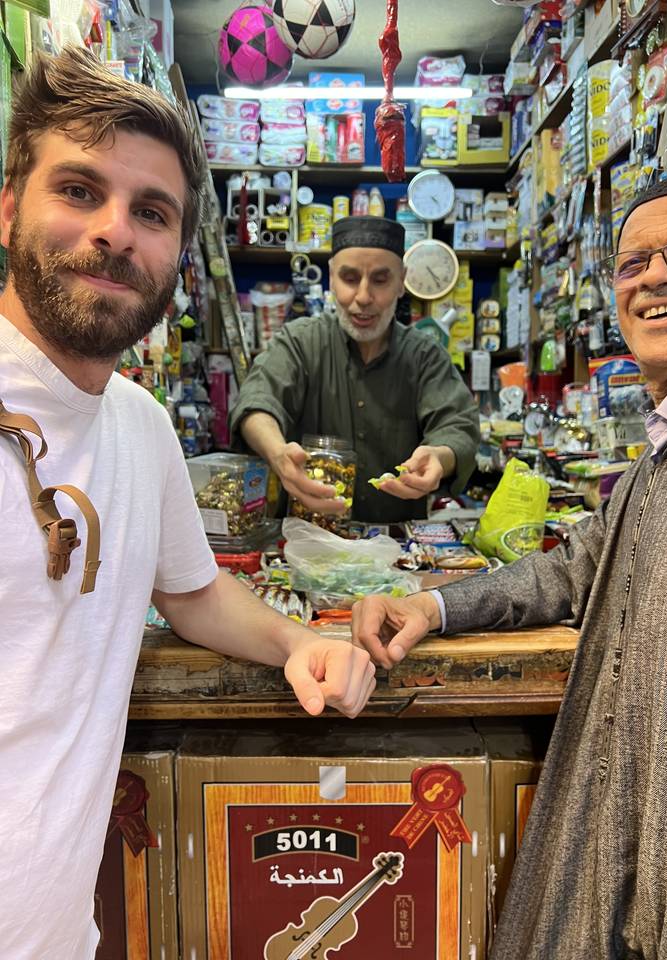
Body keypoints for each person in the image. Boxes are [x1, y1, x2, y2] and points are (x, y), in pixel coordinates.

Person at [0, 48, 375, 959]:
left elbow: (192, 591)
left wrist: (300, 642)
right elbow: (258, 406)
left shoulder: (136, 423)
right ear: (9, 206)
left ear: (175, 254)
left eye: (153, 212)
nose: (116, 232)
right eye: (80, 190)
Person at [353, 174, 667, 959]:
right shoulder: (666, 454)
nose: (657, 275)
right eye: (634, 263)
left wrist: (445, 452)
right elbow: (572, 566)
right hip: (646, 854)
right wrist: (434, 609)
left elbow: (456, 423)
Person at [230, 216, 480, 523]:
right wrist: (277, 452)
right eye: (349, 279)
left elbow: (458, 427)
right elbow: (257, 401)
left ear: (401, 281)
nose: (362, 297)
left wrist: (440, 456)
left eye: (379, 280)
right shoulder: (299, 342)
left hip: (396, 551)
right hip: (308, 542)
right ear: (332, 277)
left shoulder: (425, 356)